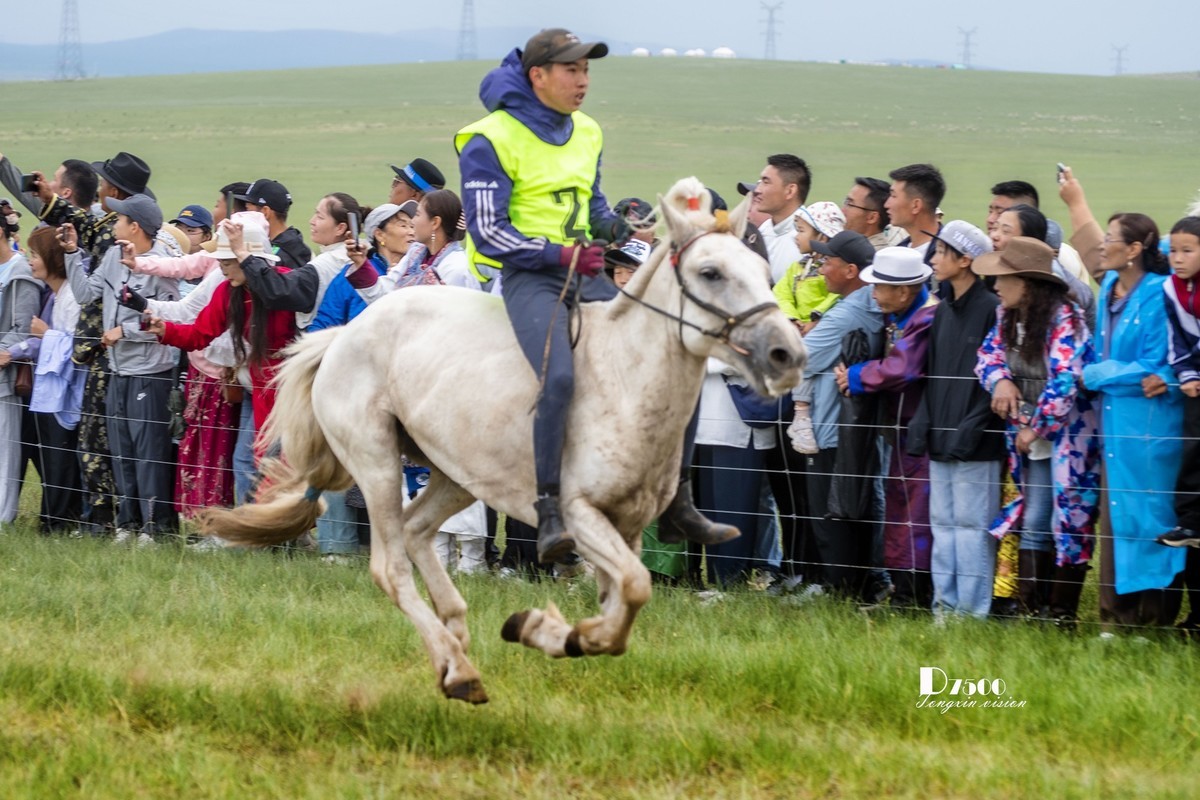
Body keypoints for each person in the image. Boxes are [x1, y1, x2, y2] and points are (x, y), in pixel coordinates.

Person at [454, 28, 736, 565]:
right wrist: (561, 255)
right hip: (531, 278)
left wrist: (629, 230)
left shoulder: (587, 130)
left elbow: (594, 209)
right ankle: (548, 508)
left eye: (586, 70)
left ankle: (677, 498)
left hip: (583, 272)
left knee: (680, 352)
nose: (583, 81)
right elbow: (489, 234)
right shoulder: (488, 138)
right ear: (538, 76)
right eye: (572, 70)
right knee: (560, 377)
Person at [973, 236, 1101, 628]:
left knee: (1070, 518)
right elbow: (987, 356)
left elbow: (1066, 380)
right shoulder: (1006, 316)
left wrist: (1035, 427)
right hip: (1031, 434)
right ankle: (1033, 611)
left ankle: (1061, 614)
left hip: (1071, 439)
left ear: (1027, 283)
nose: (996, 285)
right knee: (1035, 516)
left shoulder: (1066, 320)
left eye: (1004, 277)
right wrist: (999, 381)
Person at [1074, 211, 1183, 630]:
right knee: (1115, 518)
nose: (1103, 245)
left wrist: (1096, 375)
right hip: (1113, 422)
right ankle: (1114, 617)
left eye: (1111, 238)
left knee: (1150, 517)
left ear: (1134, 249)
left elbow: (1154, 367)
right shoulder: (1108, 290)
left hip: (1151, 426)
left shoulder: (1158, 293)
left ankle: (1153, 618)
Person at [36, 151, 152, 537]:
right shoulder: (111, 234)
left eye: (105, 182)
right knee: (99, 438)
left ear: (115, 192)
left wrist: (48, 200)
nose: (99, 188)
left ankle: (113, 519)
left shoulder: (115, 236)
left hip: (114, 351)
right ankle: (109, 518)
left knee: (102, 440)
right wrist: (69, 249)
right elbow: (87, 289)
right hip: (105, 350)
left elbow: (80, 221)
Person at [64, 192, 181, 544]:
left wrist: (125, 331)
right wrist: (71, 253)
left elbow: (171, 320)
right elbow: (86, 294)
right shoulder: (114, 256)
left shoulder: (162, 265)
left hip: (151, 373)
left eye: (119, 219)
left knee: (149, 454)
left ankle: (155, 527)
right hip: (118, 370)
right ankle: (128, 525)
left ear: (135, 227)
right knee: (122, 452)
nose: (113, 223)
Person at [905, 221, 1005, 619]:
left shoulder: (992, 310)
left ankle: (972, 612)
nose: (934, 259)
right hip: (941, 436)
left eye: (943, 252)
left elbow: (995, 379)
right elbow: (933, 373)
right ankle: (944, 608)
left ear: (966, 261)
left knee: (971, 527)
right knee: (943, 526)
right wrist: (924, 423)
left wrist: (972, 427)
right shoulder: (943, 311)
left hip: (976, 441)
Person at [835, 247, 938, 609]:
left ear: (904, 291)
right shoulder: (904, 316)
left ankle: (913, 595)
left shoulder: (926, 319)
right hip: (903, 430)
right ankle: (901, 589)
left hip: (919, 433)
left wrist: (857, 375)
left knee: (915, 512)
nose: (873, 294)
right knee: (900, 505)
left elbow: (902, 369)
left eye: (879, 287)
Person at [147, 218, 297, 450]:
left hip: (295, 382)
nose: (222, 269)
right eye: (221, 263)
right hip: (261, 385)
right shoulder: (227, 292)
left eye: (228, 262)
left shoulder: (288, 282)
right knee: (263, 455)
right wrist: (165, 330)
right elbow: (199, 335)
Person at [792, 230, 884, 599]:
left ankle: (841, 588)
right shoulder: (863, 304)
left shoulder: (847, 313)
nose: (821, 269)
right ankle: (854, 584)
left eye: (827, 262)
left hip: (832, 427)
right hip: (854, 427)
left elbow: (799, 359)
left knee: (832, 511)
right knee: (851, 506)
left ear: (850, 270)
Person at [22, 226, 85, 533]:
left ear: (51, 258)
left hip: (67, 394)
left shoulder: (71, 297)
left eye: (35, 254)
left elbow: (76, 347)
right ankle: (54, 519)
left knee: (60, 458)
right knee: (53, 456)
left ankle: (57, 523)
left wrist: (46, 334)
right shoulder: (59, 295)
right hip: (56, 392)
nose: (30, 261)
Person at [1157, 213, 1200, 635]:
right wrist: (1185, 374)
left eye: (1188, 250)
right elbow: (1177, 340)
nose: (1179, 258)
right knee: (1192, 448)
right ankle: (1190, 522)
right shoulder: (1171, 289)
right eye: (1174, 251)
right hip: (1196, 386)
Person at [310, 200, 417, 332]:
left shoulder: (418, 273)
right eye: (403, 225)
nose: (411, 232)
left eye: (412, 226)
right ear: (379, 235)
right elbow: (325, 323)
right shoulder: (354, 274)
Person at [990, 202, 1096, 333]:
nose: (994, 236)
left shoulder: (1060, 303)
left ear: (1030, 240)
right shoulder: (1004, 302)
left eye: (1006, 231)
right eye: (995, 228)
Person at [0, 211, 41, 525]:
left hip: (4, 379)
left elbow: (23, 329)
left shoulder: (19, 273)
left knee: (5, 452)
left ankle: (3, 518)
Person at [751, 154, 811, 283]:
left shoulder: (811, 239)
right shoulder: (765, 229)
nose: (757, 190)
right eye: (759, 182)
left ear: (790, 191)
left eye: (766, 182)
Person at [234, 179, 312, 270]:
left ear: (265, 212)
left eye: (247, 210)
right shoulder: (295, 244)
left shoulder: (275, 259)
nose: (243, 216)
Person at [0, 153, 97, 218]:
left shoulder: (55, 218)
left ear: (66, 193)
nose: (49, 184)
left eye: (55, 180)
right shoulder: (97, 228)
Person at [884, 164, 945, 265]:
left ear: (916, 206)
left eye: (893, 196)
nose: (886, 205)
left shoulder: (948, 259)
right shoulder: (899, 251)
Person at [841, 177, 905, 251]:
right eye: (846, 202)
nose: (842, 210)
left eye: (850, 204)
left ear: (872, 218)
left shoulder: (873, 255)